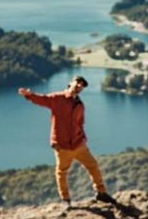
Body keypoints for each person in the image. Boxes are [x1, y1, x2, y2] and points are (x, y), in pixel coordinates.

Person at [18, 76, 115, 206]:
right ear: (70, 83)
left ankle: (101, 193)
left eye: (82, 86)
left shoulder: (80, 105)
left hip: (78, 144)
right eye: (78, 83)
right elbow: (42, 99)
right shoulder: (58, 98)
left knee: (93, 166)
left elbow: (80, 123)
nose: (79, 86)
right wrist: (29, 95)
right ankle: (65, 200)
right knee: (62, 173)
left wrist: (83, 137)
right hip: (62, 145)